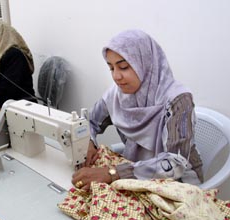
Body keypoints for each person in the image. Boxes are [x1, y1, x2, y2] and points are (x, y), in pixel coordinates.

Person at [72, 29, 203, 191]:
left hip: (179, 183)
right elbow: (89, 122)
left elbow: (176, 163)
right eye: (111, 68)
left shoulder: (178, 100)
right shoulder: (116, 96)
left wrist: (114, 173)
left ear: (146, 64)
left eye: (124, 67)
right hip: (134, 175)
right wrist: (88, 141)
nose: (116, 76)